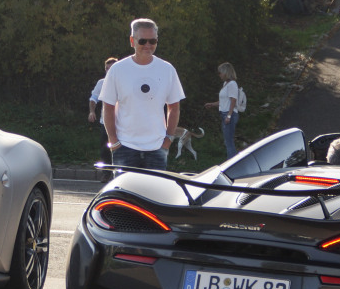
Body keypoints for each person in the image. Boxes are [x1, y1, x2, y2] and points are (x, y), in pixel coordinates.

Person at [100, 18, 184, 172]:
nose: (148, 45)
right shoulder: (118, 70)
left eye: (152, 41)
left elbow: (174, 107)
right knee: (124, 195)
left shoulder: (167, 69)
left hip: (157, 148)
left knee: (155, 195)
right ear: (132, 41)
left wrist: (168, 140)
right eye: (143, 41)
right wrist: (114, 141)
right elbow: (108, 107)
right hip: (125, 147)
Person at [88, 56, 117, 177]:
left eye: (112, 68)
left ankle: (120, 173)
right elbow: (93, 98)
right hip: (105, 122)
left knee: (121, 149)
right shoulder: (101, 83)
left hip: (123, 123)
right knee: (105, 149)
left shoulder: (125, 82)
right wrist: (92, 111)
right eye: (107, 69)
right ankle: (106, 173)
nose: (109, 71)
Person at [204, 62, 240, 158]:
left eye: (220, 73)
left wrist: (229, 115)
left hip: (229, 115)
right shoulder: (225, 84)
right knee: (227, 141)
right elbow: (223, 101)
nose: (219, 75)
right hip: (224, 113)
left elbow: (233, 100)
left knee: (229, 142)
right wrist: (212, 104)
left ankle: (232, 163)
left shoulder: (232, 84)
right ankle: (232, 162)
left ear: (226, 72)